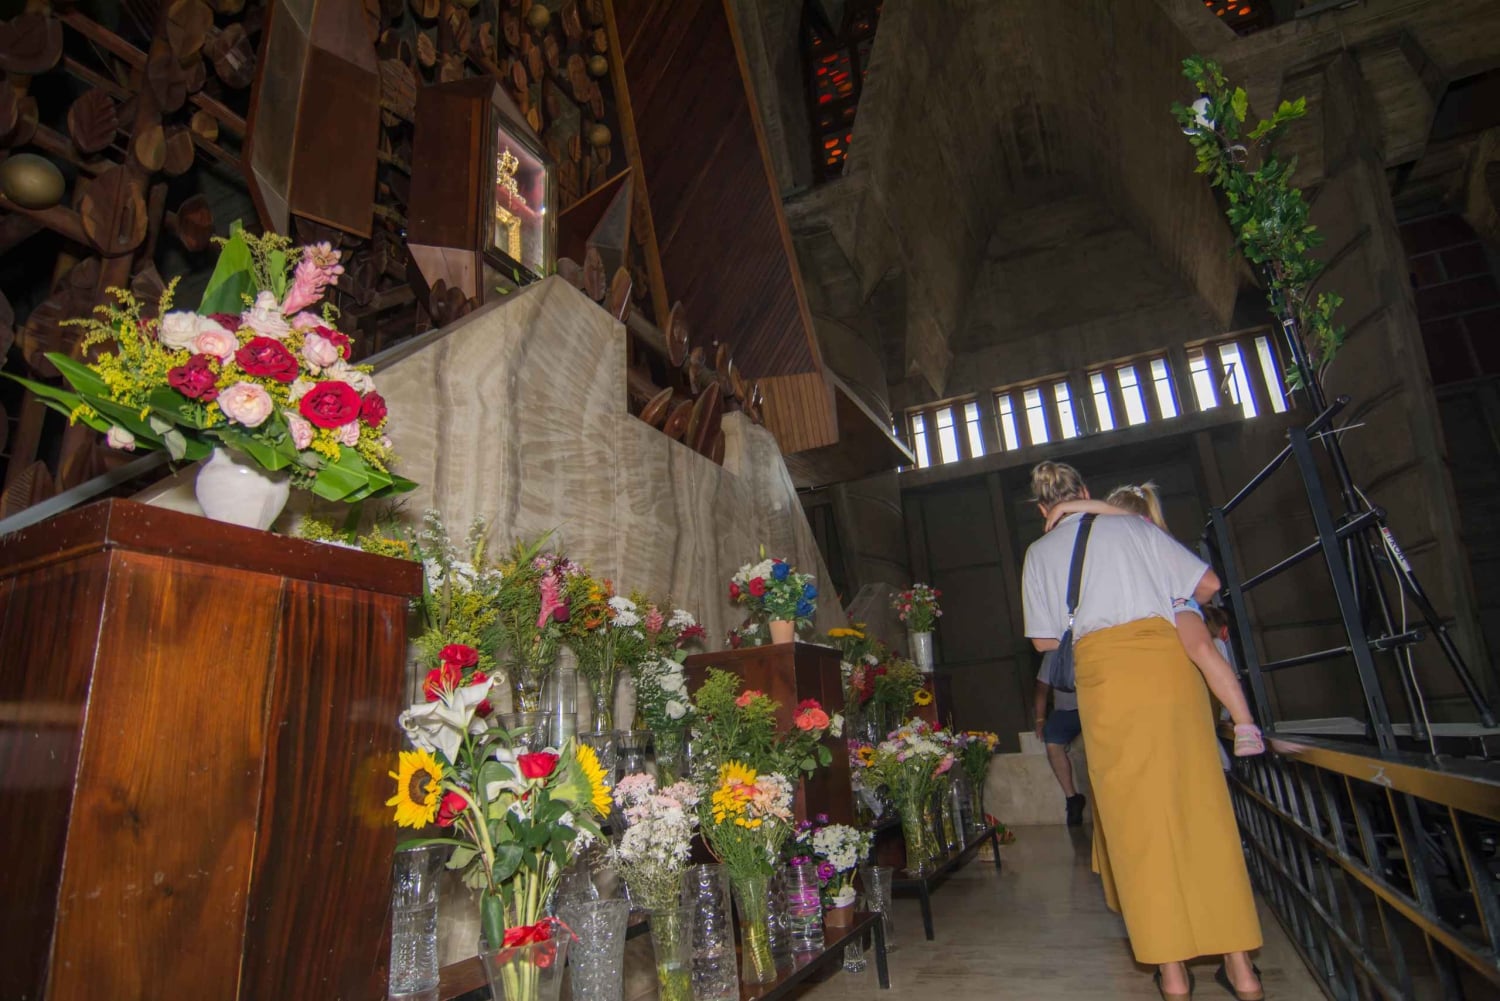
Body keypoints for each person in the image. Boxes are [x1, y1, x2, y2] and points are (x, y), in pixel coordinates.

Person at [1022, 461, 1264, 1001]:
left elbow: (1043, 644)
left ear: (1043, 509)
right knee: (1200, 808)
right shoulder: (1132, 526)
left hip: (1107, 683)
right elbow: (1208, 584)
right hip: (1169, 671)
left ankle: (1174, 975)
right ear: (1085, 493)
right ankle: (1243, 970)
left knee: (1138, 825)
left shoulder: (1038, 553)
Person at [1047, 483, 1264, 756]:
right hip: (1162, 606)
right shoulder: (1143, 532)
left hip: (1174, 603)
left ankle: (1245, 724)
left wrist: (1067, 507)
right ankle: (1243, 721)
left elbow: (1209, 585)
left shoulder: (1135, 527)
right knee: (1202, 651)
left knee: (1201, 649)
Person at [1033, 650, 1087, 825]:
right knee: (1052, 739)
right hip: (1066, 712)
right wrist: (1040, 718)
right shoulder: (1055, 652)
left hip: (1094, 708)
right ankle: (1072, 799)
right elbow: (1042, 687)